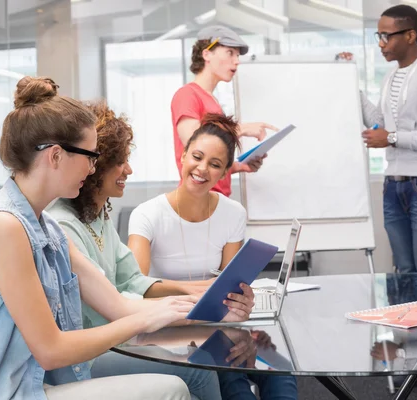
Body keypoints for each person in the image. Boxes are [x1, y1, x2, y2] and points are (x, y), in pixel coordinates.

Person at [0, 76, 198, 400]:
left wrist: (203, 308)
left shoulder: (47, 229)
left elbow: (119, 306)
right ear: (55, 156)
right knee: (173, 390)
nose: (93, 169)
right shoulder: (3, 228)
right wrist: (145, 321)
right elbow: (51, 350)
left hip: (28, 387)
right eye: (90, 157)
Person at [47, 101, 257, 400]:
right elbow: (112, 306)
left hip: (119, 338)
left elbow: (134, 280)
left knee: (225, 367)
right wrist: (203, 309)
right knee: (200, 370)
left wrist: (203, 298)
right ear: (95, 165)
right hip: (89, 353)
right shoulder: (64, 226)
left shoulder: (97, 216)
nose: (129, 170)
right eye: (120, 161)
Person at [128, 114, 298, 400]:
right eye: (197, 157)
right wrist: (194, 291)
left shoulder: (233, 214)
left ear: (224, 173)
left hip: (220, 326)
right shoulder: (147, 214)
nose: (202, 169)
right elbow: (134, 286)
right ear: (182, 156)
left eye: (215, 164)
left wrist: (242, 300)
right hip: (170, 331)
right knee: (235, 387)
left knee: (282, 377)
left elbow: (230, 284)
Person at [337, 5, 417, 275]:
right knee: (404, 271)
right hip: (394, 185)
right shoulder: (391, 76)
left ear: (410, 35)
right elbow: (382, 124)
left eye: (387, 36)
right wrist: (348, 81)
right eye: (379, 36)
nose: (381, 44)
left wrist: (393, 138)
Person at [172, 25, 276, 197]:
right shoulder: (187, 94)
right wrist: (240, 129)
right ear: (207, 54)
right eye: (230, 53)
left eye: (237, 55)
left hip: (215, 199)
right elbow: (194, 142)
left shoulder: (212, 101)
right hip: (199, 201)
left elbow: (208, 160)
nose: (237, 61)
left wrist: (238, 166)